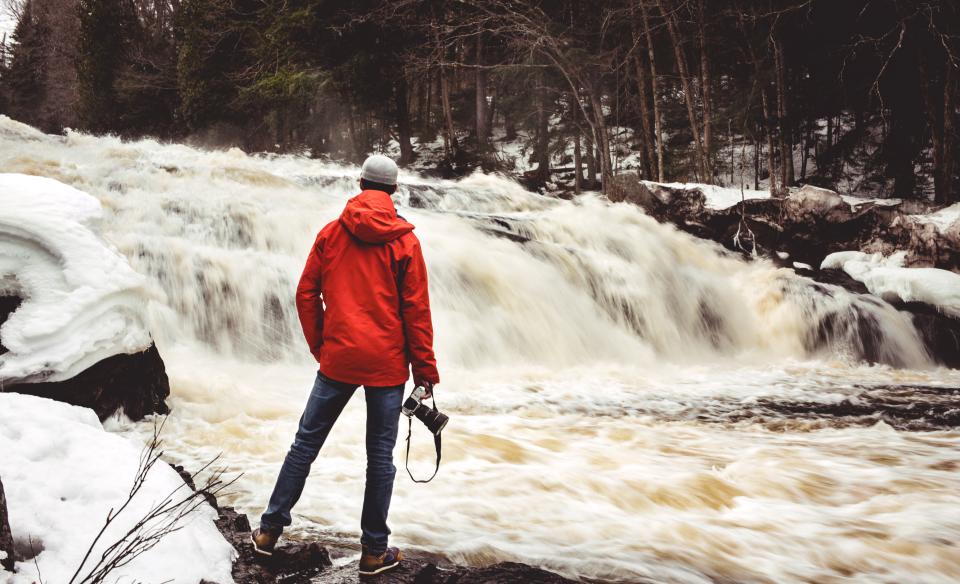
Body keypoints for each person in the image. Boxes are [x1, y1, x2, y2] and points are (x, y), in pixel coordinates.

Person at [251, 154, 440, 576]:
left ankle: (267, 532)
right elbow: (416, 311)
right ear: (393, 190)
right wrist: (425, 372)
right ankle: (374, 552)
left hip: (338, 359)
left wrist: (322, 345)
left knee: (304, 446)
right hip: (388, 366)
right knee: (380, 459)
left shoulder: (332, 234)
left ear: (360, 184)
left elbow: (306, 293)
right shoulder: (405, 242)